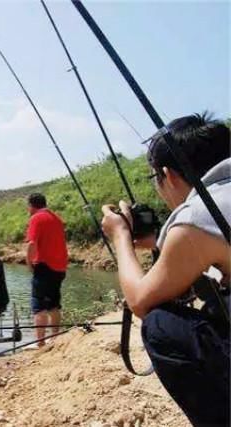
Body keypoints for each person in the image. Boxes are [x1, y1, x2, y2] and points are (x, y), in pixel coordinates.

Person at [100, 113, 230, 427]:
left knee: (161, 326)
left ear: (168, 175)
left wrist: (120, 237)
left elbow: (141, 301)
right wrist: (162, 245)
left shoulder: (198, 215)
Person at [25, 193, 68, 346]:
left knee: (39, 307)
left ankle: (40, 343)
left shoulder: (36, 218)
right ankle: (55, 338)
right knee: (54, 304)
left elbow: (32, 244)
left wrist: (29, 263)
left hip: (44, 267)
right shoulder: (56, 218)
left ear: (31, 205)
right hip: (60, 267)